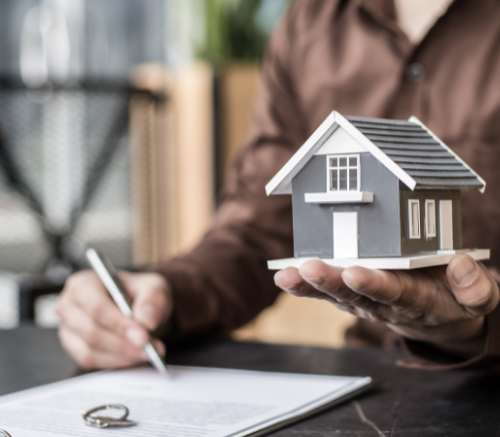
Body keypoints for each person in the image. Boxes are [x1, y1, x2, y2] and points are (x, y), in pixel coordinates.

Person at [56, 0, 500, 371]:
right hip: (367, 394)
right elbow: (257, 228)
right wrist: (165, 292)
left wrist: (476, 327)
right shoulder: (311, 21)